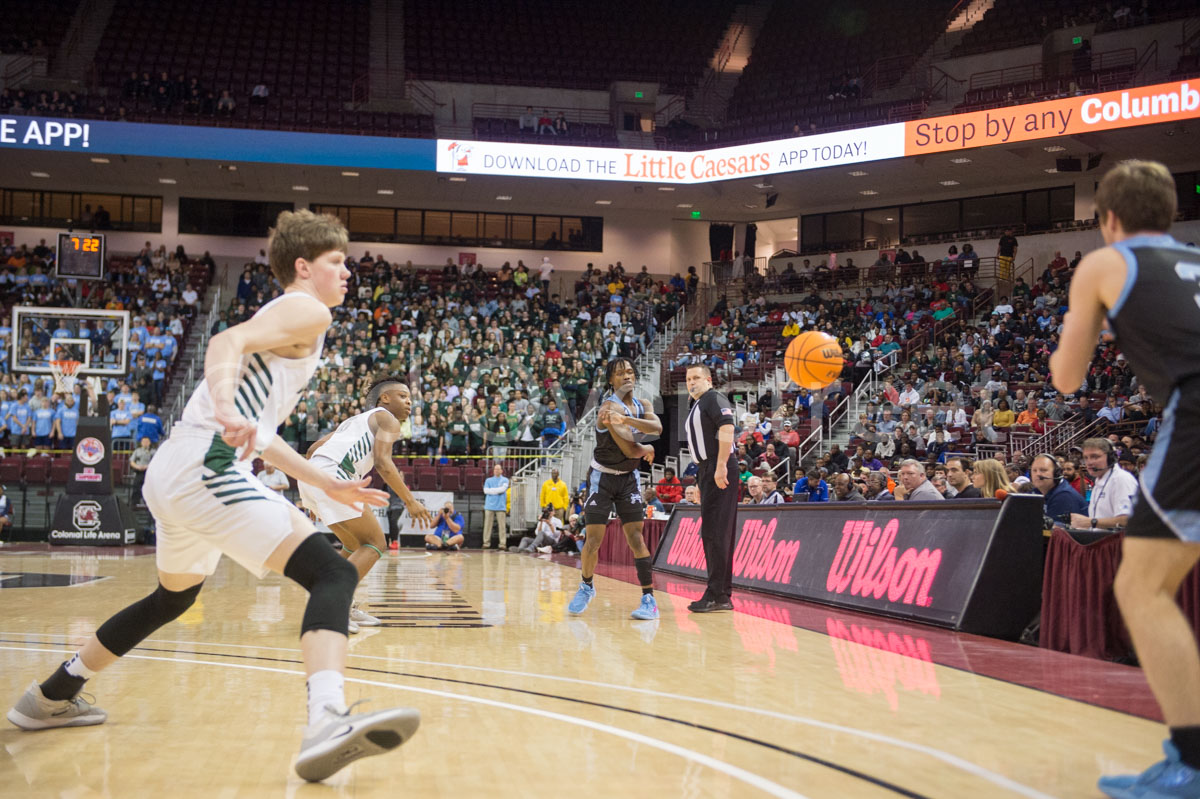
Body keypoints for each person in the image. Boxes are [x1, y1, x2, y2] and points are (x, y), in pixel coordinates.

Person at [5, 210, 421, 782]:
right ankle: (327, 720)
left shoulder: (290, 327)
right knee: (334, 575)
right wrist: (225, 404)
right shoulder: (308, 309)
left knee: (172, 599)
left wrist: (324, 482)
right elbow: (226, 339)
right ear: (304, 267)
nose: (347, 272)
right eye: (337, 262)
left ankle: (51, 696)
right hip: (208, 465)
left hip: (178, 472)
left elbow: (263, 435)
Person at [1047, 160, 1200, 796]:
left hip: (1193, 414)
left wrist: (1090, 327)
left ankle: (1191, 762)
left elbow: (1067, 378)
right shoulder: (1194, 258)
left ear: (1109, 220)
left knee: (1140, 588)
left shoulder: (1106, 264)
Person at [299, 377, 433, 627]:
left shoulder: (352, 422)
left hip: (314, 475)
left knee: (352, 543)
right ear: (384, 398)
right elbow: (383, 463)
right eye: (403, 397)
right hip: (336, 475)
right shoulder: (387, 418)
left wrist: (313, 494)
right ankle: (331, 606)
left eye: (410, 398)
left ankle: (342, 602)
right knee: (375, 543)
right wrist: (410, 501)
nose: (409, 403)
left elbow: (311, 451)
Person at [568, 358, 662, 620]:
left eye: (630, 372)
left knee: (636, 538)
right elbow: (631, 449)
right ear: (611, 380)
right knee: (594, 540)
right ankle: (586, 585)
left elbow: (658, 427)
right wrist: (649, 447)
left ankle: (648, 599)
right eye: (620, 373)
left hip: (628, 478)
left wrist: (630, 421)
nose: (627, 376)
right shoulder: (608, 408)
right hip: (602, 477)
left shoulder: (643, 404)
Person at [682, 364, 737, 613]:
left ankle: (718, 594)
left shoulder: (713, 398)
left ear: (708, 379)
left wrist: (721, 465)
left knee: (716, 532)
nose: (691, 382)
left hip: (718, 465)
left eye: (696, 378)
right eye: (688, 379)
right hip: (707, 468)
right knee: (712, 532)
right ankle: (720, 594)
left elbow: (726, 428)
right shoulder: (697, 404)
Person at [1067, 437, 1140, 532]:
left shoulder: (1121, 479)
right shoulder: (1099, 480)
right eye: (1086, 458)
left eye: (1095, 457)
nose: (1089, 462)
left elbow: (1128, 520)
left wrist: (1091, 522)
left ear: (1111, 458)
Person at [1030, 453, 1088, 521]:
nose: (1038, 474)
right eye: (1034, 470)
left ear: (1056, 473)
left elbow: (1053, 530)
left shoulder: (1064, 496)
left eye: (1043, 470)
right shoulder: (1035, 492)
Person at [481, 463, 509, 549]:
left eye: (498, 469)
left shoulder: (505, 480)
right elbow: (486, 491)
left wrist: (491, 490)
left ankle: (502, 544)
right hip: (489, 506)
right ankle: (486, 543)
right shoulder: (488, 480)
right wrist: (496, 491)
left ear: (501, 471)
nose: (496, 470)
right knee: (487, 526)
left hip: (500, 507)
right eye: (495, 469)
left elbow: (502, 489)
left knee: (502, 527)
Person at [129, 436, 154, 506]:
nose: (145, 443)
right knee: (136, 487)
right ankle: (134, 504)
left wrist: (147, 467)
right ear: (141, 443)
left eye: (147, 442)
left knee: (149, 490)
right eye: (144, 442)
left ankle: (148, 505)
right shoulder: (137, 451)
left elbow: (156, 462)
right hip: (139, 472)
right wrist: (137, 467)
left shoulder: (153, 451)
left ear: (149, 443)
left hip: (149, 473)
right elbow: (131, 461)